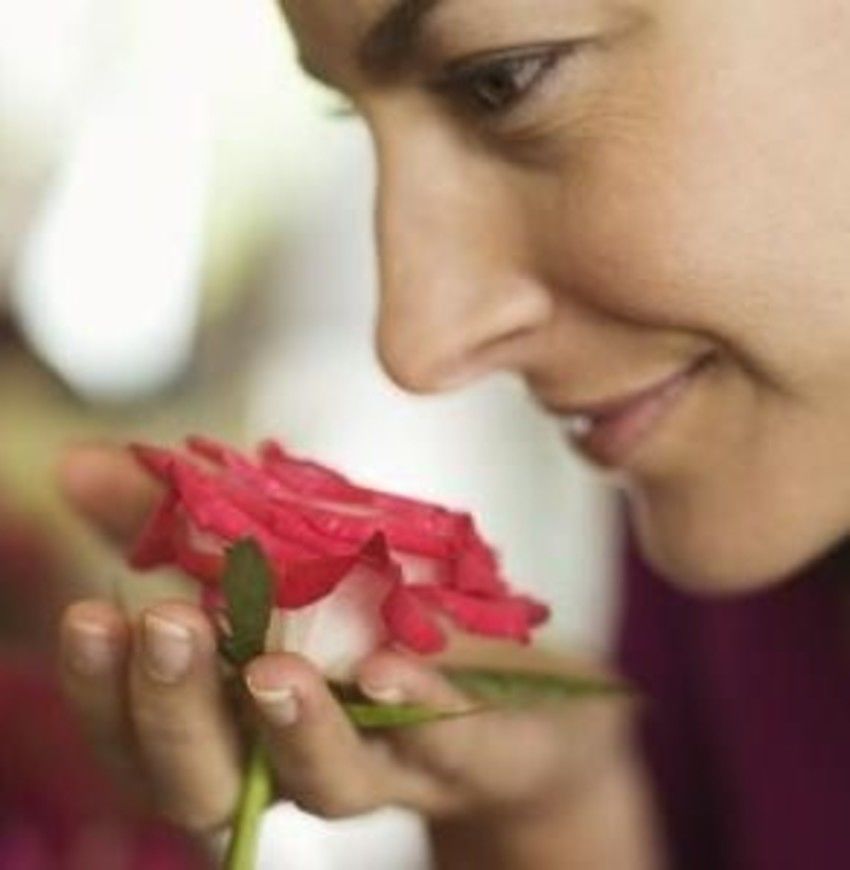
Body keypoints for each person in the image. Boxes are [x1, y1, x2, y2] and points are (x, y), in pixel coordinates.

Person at [57, 1, 850, 867]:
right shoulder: (734, 540)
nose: (416, 347)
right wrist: (550, 812)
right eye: (353, 121)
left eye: (503, 80)